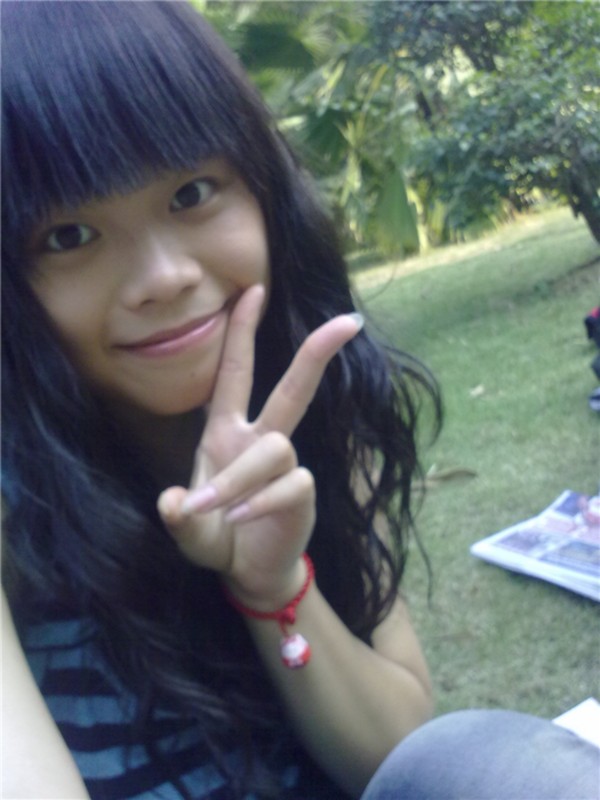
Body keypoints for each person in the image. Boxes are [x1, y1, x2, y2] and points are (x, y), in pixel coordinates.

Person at [1, 3, 598, 800]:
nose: (164, 277)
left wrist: (274, 586)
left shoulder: (312, 408)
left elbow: (404, 760)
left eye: (191, 192)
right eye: (69, 236)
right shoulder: (18, 508)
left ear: (261, 186)